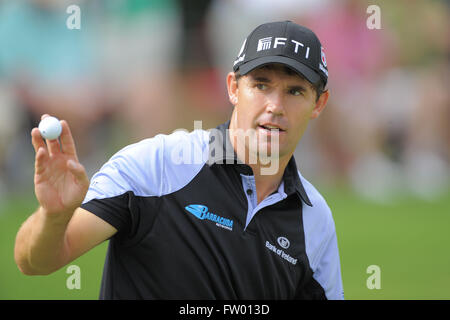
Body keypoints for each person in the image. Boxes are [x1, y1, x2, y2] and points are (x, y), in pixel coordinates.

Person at [15, 21, 344, 300]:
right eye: (261, 85)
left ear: (319, 103)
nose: (275, 105)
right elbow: (36, 262)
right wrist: (54, 217)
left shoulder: (315, 220)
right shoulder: (157, 165)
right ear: (232, 87)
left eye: (295, 91)